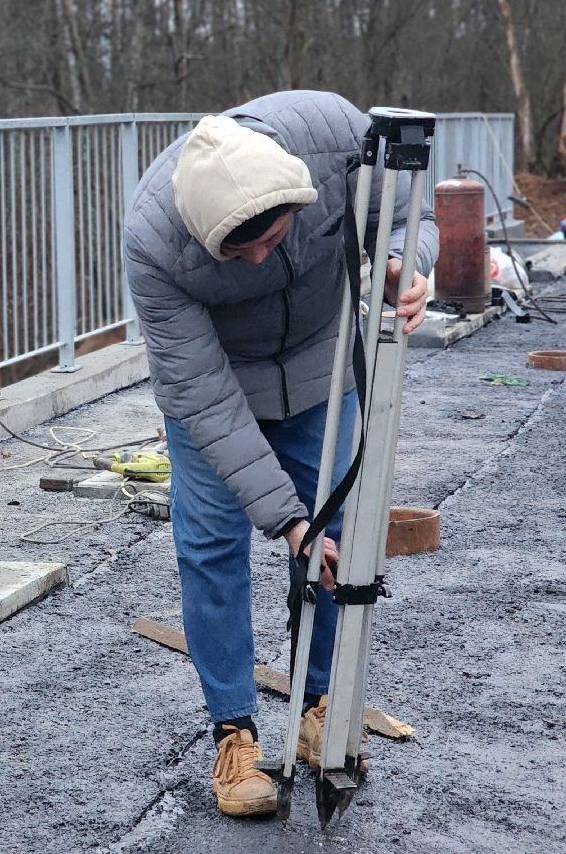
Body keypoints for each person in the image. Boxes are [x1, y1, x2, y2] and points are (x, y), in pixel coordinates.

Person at [122, 90, 436, 818]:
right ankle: (233, 731)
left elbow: (404, 214)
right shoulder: (153, 243)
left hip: (321, 365)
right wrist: (291, 524)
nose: (263, 257)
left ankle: (322, 702)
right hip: (221, 382)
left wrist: (402, 263)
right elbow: (205, 399)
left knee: (341, 539)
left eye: (275, 236)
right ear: (205, 238)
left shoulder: (331, 135)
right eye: (242, 251)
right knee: (210, 548)